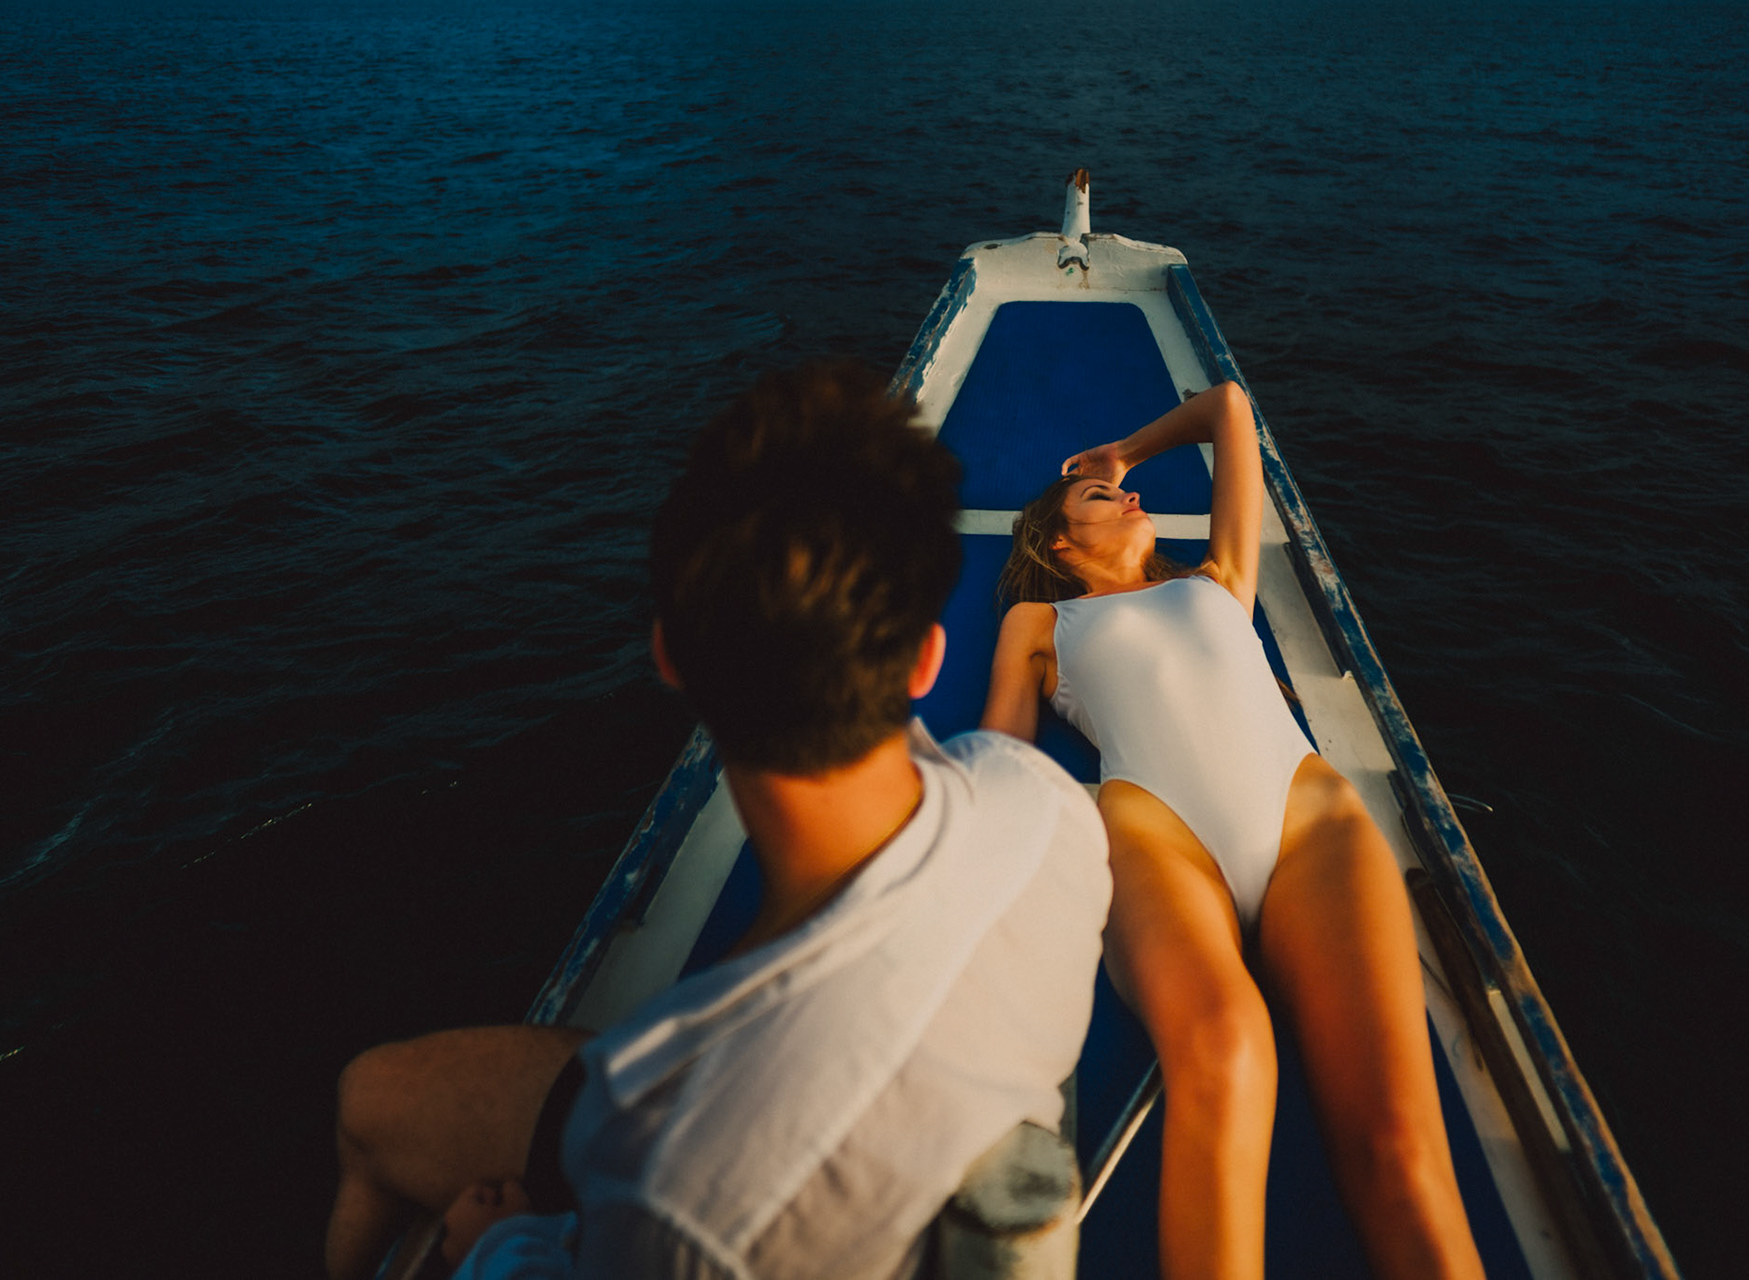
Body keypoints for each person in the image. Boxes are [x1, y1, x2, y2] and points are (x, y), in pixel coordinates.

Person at [325, 362, 1112, 1280]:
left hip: (756, 1150)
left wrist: (499, 1247)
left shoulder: (680, 1194)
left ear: (672, 658)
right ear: (927, 657)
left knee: (365, 1102)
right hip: (925, 1122)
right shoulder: (1046, 806)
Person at [980, 380, 1485, 1280]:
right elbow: (1003, 760)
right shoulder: (1042, 619)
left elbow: (1229, 407)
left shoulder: (1220, 581)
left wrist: (1121, 454)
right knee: (1226, 1052)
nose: (1131, 497)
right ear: (1059, 542)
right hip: (1157, 838)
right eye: (1102, 498)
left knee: (1403, 1152)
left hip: (1310, 829)